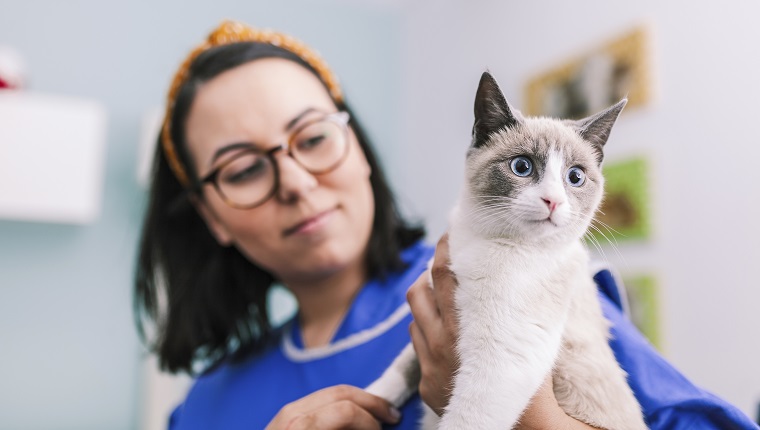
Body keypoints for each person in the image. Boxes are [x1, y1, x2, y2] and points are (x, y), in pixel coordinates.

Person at [134, 20, 759, 430]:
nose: (295, 181)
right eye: (243, 170)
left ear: (358, 149)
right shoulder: (202, 408)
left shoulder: (525, 269)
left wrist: (532, 417)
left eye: (314, 137)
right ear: (209, 214)